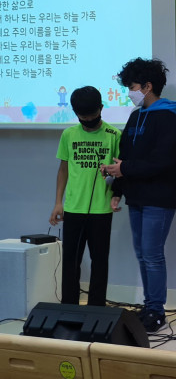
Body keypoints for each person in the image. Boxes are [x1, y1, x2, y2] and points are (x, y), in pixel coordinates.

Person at [102, 58, 176, 333]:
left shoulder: (168, 118)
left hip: (160, 196)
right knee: (142, 254)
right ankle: (149, 305)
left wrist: (125, 169)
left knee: (152, 254)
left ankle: (156, 311)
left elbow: (164, 161)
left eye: (133, 87)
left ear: (148, 86)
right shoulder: (136, 116)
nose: (130, 92)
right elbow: (124, 155)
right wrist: (117, 188)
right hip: (136, 195)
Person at [50, 86, 121, 306]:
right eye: (83, 117)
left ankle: (96, 308)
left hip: (101, 209)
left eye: (92, 115)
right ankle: (69, 307)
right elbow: (63, 169)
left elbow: (121, 171)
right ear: (75, 113)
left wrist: (117, 194)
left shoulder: (114, 135)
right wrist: (58, 202)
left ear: (101, 108)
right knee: (71, 262)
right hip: (73, 208)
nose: (88, 120)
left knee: (100, 262)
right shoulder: (68, 134)